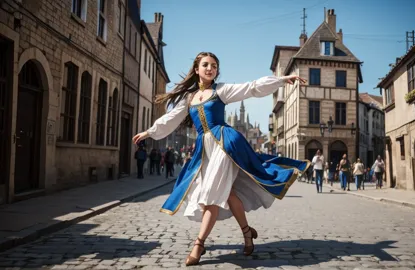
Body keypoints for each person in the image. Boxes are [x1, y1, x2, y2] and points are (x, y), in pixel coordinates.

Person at [132, 52, 309, 266]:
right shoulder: (189, 98)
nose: (210, 68)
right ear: (197, 69)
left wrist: (281, 80)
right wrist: (149, 132)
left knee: (211, 196)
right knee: (227, 194)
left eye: (214, 66)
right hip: (204, 151)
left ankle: (198, 244)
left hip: (225, 146)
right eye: (205, 65)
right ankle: (247, 232)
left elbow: (251, 87)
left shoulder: (221, 90)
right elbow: (171, 119)